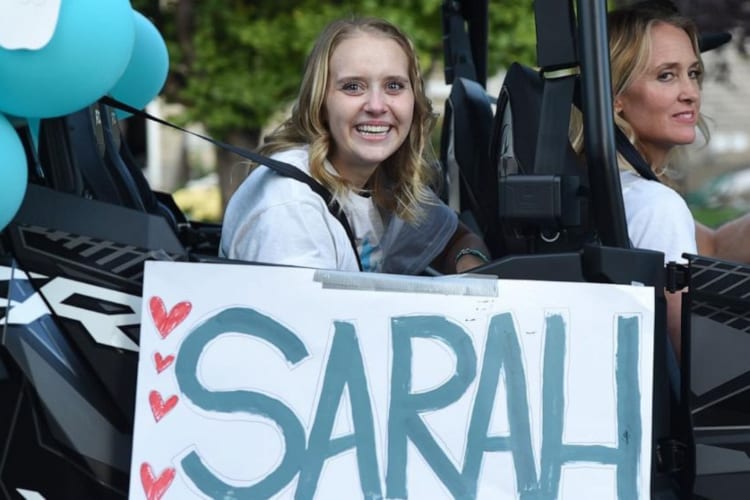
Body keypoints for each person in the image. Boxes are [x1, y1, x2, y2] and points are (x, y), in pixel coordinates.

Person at [220, 16, 489, 275]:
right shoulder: (289, 203)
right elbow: (303, 318)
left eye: (394, 86)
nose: (376, 106)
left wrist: (468, 264)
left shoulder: (385, 185)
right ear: (320, 102)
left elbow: (458, 238)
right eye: (352, 87)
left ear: (414, 101)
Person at [572, 0, 750, 356]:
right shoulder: (655, 205)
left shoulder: (613, 190)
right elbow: (695, 356)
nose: (690, 93)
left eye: (693, 73)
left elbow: (711, 247)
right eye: (666, 75)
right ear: (615, 97)